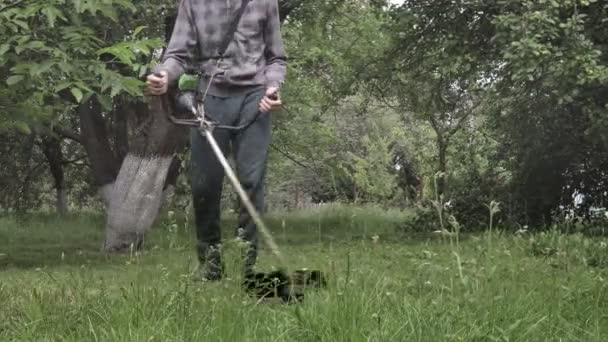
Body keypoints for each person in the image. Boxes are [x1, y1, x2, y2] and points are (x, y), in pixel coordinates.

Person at [146, 0, 286, 281]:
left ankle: (246, 265)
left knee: (250, 181)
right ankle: (211, 265)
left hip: (254, 97)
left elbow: (276, 59)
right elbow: (177, 55)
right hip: (210, 96)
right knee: (205, 184)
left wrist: (273, 88)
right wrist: (165, 76)